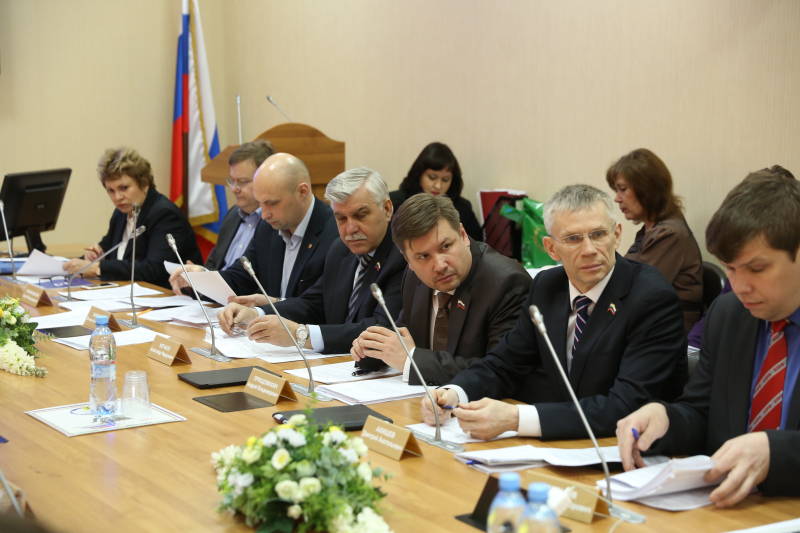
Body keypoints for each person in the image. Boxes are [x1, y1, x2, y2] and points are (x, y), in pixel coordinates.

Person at [420, 184, 687, 440]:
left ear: (617, 235)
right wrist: (453, 393)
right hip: (565, 444)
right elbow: (505, 364)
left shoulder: (650, 298)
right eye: (573, 239)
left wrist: (516, 419)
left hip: (630, 451)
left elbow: (626, 405)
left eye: (598, 234)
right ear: (551, 248)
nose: (589, 250)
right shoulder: (547, 287)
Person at [617, 168, 800, 507]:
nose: (740, 287)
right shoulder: (729, 314)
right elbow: (702, 413)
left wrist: (777, 451)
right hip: (729, 510)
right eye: (730, 268)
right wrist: (666, 419)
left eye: (757, 269)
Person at [219, 167, 406, 356]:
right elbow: (314, 303)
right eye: (341, 219)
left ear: (387, 209)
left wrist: (300, 334)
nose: (350, 228)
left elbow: (381, 328)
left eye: (360, 215)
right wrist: (257, 314)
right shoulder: (340, 250)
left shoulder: (403, 256)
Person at [350, 192, 531, 385]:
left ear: (463, 235)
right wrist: (373, 349)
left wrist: (411, 360)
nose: (439, 265)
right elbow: (405, 335)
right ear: (408, 261)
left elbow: (498, 372)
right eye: (423, 256)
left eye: (445, 246)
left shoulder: (507, 283)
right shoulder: (413, 277)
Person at [169, 153, 337, 303]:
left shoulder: (334, 232)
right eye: (261, 204)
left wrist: (267, 307)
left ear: (302, 192)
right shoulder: (268, 228)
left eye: (271, 203)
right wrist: (200, 277)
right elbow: (240, 278)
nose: (264, 215)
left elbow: (318, 307)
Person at [63, 147, 201, 288]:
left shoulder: (165, 214)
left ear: (144, 184)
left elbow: (154, 269)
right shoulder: (122, 212)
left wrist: (98, 268)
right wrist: (92, 257)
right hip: (124, 291)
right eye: (111, 190)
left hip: (164, 294)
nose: (117, 197)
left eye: (123, 188)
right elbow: (107, 249)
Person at [606, 148, 703, 332]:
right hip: (646, 323)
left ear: (647, 189)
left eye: (623, 189)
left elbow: (635, 292)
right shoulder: (650, 230)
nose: (617, 199)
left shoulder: (670, 234)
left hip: (665, 331)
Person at [390, 142, 483, 242]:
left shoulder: (463, 208)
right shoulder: (396, 203)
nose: (438, 185)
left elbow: (477, 245)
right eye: (432, 177)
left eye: (445, 180)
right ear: (419, 174)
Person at [204, 140, 274, 271]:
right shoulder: (233, 214)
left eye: (242, 181)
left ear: (265, 180)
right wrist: (198, 275)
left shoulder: (275, 223)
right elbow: (213, 263)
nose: (234, 189)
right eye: (232, 181)